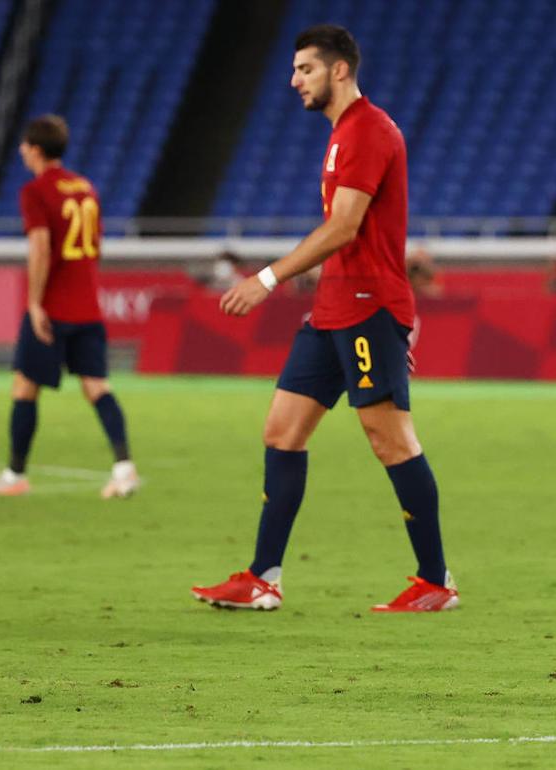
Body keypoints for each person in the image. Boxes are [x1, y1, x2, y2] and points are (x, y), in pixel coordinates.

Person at [192, 25, 456, 613]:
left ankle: (436, 581)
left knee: (390, 440)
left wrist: (267, 278)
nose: (294, 81)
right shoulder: (343, 134)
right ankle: (263, 577)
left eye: (304, 69)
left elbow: (344, 228)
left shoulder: (368, 130)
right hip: (334, 307)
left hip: (369, 307)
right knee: (282, 432)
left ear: (339, 70)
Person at [0, 115, 139, 499]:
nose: (21, 152)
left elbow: (41, 247)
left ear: (35, 149)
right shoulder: (86, 188)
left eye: (24, 147)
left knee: (24, 387)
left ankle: (15, 476)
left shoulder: (36, 191)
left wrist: (34, 303)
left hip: (55, 305)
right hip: (87, 305)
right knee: (97, 386)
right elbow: (95, 245)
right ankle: (124, 468)